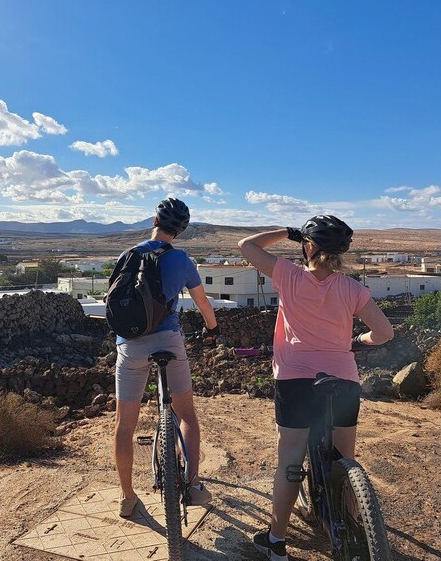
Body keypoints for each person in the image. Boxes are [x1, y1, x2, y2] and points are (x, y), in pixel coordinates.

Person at [238, 215, 394, 561]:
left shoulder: (288, 275)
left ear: (307, 246)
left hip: (295, 379)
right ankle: (354, 525)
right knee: (345, 458)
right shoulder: (352, 288)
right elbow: (385, 334)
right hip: (342, 379)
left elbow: (245, 246)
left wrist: (286, 232)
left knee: (290, 460)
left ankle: (276, 541)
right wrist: (358, 340)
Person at [112, 197, 220, 517]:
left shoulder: (127, 254)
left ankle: (128, 497)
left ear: (154, 220)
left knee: (124, 425)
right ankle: (193, 485)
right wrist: (213, 329)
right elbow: (203, 304)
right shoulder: (184, 260)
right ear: (181, 231)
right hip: (169, 341)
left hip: (129, 344)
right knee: (186, 414)